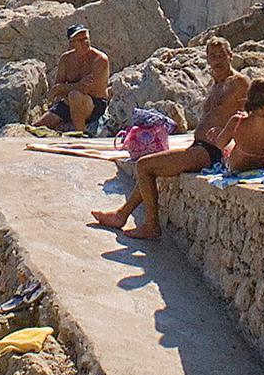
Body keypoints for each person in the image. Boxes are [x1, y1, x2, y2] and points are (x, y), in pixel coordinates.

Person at [90, 37, 248, 240]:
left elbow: (250, 114)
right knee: (151, 167)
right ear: (207, 59)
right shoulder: (215, 84)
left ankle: (151, 225)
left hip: (210, 151)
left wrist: (236, 144)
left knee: (144, 166)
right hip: (198, 147)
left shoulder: (238, 83)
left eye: (221, 56)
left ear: (230, 56)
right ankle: (121, 215)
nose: (217, 61)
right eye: (213, 56)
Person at [36, 25, 111, 133]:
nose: (85, 42)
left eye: (86, 38)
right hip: (68, 102)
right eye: (80, 40)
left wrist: (62, 88)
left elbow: (85, 89)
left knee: (75, 95)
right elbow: (57, 89)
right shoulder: (66, 59)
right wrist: (61, 90)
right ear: (72, 43)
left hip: (94, 103)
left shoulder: (99, 59)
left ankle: (79, 133)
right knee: (38, 127)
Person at [215, 78, 264, 173]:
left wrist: (221, 133)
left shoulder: (237, 121)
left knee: (230, 146)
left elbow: (219, 144)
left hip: (238, 170)